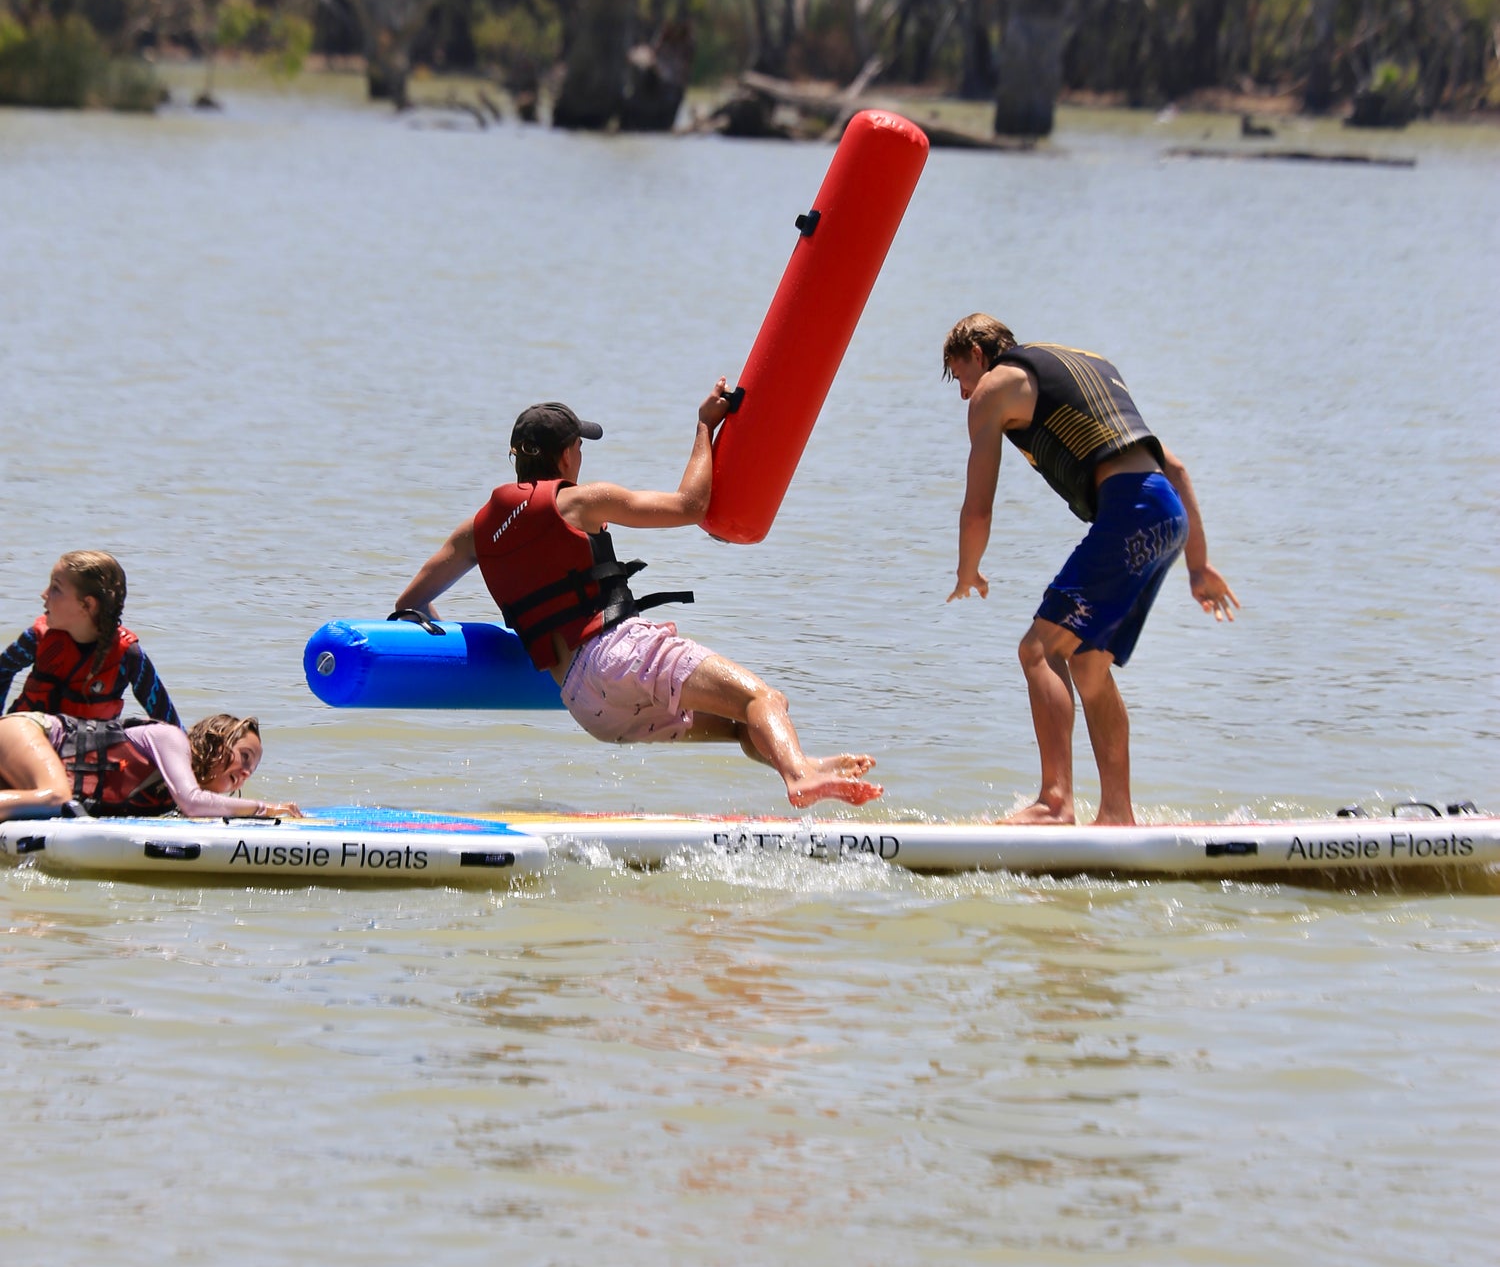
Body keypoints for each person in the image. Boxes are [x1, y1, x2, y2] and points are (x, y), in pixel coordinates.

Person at [393, 386, 881, 808]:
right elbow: (691, 506)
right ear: (565, 457)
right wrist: (704, 427)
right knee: (763, 698)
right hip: (619, 655)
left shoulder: (474, 533)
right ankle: (801, 778)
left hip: (587, 707)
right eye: (579, 448)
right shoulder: (581, 502)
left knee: (741, 723)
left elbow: (410, 603)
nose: (580, 459)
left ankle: (799, 762)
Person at [942, 314, 1238, 827]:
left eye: (959, 374)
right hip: (1166, 516)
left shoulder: (996, 387)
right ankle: (1117, 814)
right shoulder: (1083, 364)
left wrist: (968, 570)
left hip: (1129, 512)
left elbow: (978, 507)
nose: (965, 391)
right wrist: (1198, 565)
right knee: (1088, 665)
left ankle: (1054, 802)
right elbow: (1176, 467)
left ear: (975, 351)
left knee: (1039, 650)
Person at [0, 707, 301, 821]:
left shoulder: (165, 798)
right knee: (56, 797)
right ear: (218, 741)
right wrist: (264, 809)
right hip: (29, 732)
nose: (246, 772)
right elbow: (194, 803)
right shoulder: (170, 738)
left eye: (253, 769)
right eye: (244, 757)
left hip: (18, 778)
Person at [0, 552, 181, 726]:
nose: (44, 594)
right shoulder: (37, 639)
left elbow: (168, 722)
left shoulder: (128, 656)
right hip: (28, 745)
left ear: (87, 604)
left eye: (55, 588)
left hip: (89, 751)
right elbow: (2, 671)